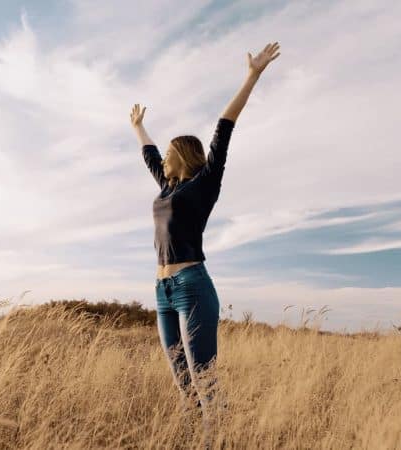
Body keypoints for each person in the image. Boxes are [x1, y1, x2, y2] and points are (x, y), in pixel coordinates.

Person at [130, 41, 281, 446]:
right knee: (181, 378)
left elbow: (224, 128)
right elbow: (149, 155)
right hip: (162, 290)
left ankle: (217, 440)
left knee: (204, 379)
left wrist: (252, 75)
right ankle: (195, 438)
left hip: (192, 286)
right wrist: (138, 127)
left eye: (168, 155)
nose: (162, 160)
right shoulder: (167, 188)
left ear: (183, 155)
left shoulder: (204, 184)